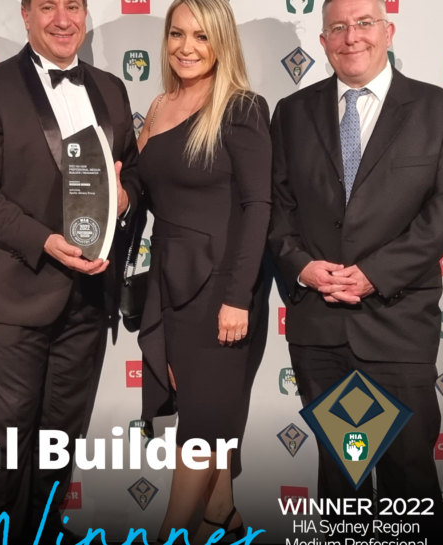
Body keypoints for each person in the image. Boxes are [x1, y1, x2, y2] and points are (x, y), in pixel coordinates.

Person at [0, 0, 141, 543]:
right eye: (48, 7)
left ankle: (45, 532)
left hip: (91, 293)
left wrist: (126, 198)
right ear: (25, 15)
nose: (62, 19)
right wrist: (44, 241)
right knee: (9, 437)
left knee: (62, 435)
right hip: (18, 290)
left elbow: (131, 175)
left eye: (73, 6)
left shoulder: (111, 88)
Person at [268, 0, 443, 541]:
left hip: (397, 325)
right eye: (338, 27)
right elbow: (276, 207)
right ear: (323, 41)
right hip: (321, 330)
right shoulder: (292, 113)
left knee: (408, 485)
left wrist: (375, 273)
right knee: (341, 484)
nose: (352, 37)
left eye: (364, 23)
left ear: (388, 31)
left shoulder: (439, 109)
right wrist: (302, 267)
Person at [136, 0, 271, 542]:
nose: (186, 47)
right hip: (168, 281)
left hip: (220, 288)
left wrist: (238, 296)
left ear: (221, 42)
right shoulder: (158, 105)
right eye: (177, 34)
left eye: (201, 36)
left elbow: (258, 206)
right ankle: (223, 515)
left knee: (200, 428)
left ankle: (172, 533)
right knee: (200, 411)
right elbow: (141, 189)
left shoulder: (241, 107)